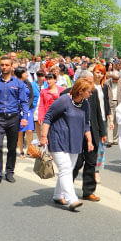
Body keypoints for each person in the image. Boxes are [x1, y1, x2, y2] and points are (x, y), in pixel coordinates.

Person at [39, 78, 95, 211]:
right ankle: (72, 199)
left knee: (68, 169)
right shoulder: (64, 100)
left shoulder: (85, 104)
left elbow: (86, 123)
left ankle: (58, 195)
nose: (91, 94)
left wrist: (89, 140)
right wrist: (43, 136)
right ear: (81, 91)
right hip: (58, 139)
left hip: (75, 141)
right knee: (65, 168)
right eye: (89, 91)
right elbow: (48, 117)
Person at [0, 56, 29, 185]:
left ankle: (9, 172)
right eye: (2, 65)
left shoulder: (18, 83)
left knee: (11, 147)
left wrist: (25, 117)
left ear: (11, 67)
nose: (4, 67)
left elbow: (24, 102)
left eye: (6, 65)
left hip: (13, 118)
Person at [68, 71, 108, 201]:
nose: (92, 85)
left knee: (91, 163)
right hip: (76, 135)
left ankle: (88, 192)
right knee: (76, 163)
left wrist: (102, 132)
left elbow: (97, 112)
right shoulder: (68, 94)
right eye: (89, 82)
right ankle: (66, 189)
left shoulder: (94, 93)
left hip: (93, 133)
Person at [14, 66, 39, 159]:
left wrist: (27, 107)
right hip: (17, 110)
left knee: (29, 131)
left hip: (28, 109)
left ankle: (30, 149)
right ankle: (21, 151)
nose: (27, 74)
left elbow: (31, 96)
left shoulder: (28, 83)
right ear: (20, 74)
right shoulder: (14, 83)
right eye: (25, 73)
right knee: (20, 132)